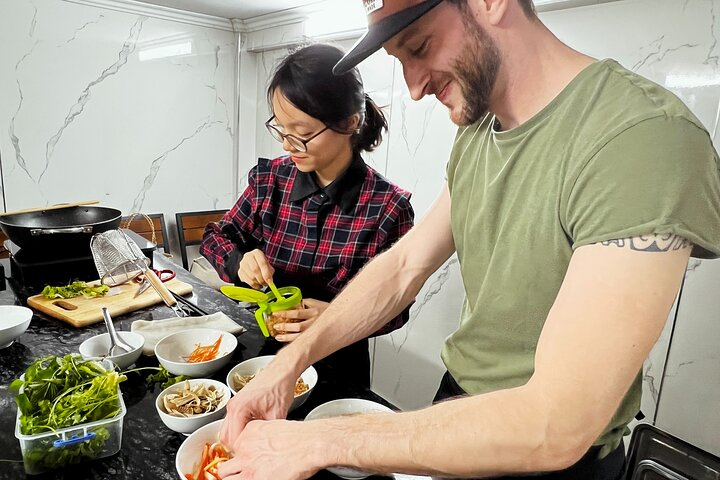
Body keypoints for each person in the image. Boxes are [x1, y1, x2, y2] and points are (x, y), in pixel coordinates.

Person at [217, 1, 720, 479]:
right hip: (457, 405)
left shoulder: (642, 138)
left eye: (418, 48)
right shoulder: (479, 131)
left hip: (554, 462)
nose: (413, 87)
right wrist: (288, 364)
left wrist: (318, 441)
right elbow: (404, 267)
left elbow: (557, 425)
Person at [200, 43, 414, 388]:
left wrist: (340, 317)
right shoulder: (271, 179)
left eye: (300, 133)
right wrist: (240, 261)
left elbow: (396, 307)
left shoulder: (388, 207)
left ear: (350, 123)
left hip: (336, 362)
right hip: (260, 351)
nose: (287, 145)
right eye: (281, 129)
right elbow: (216, 237)